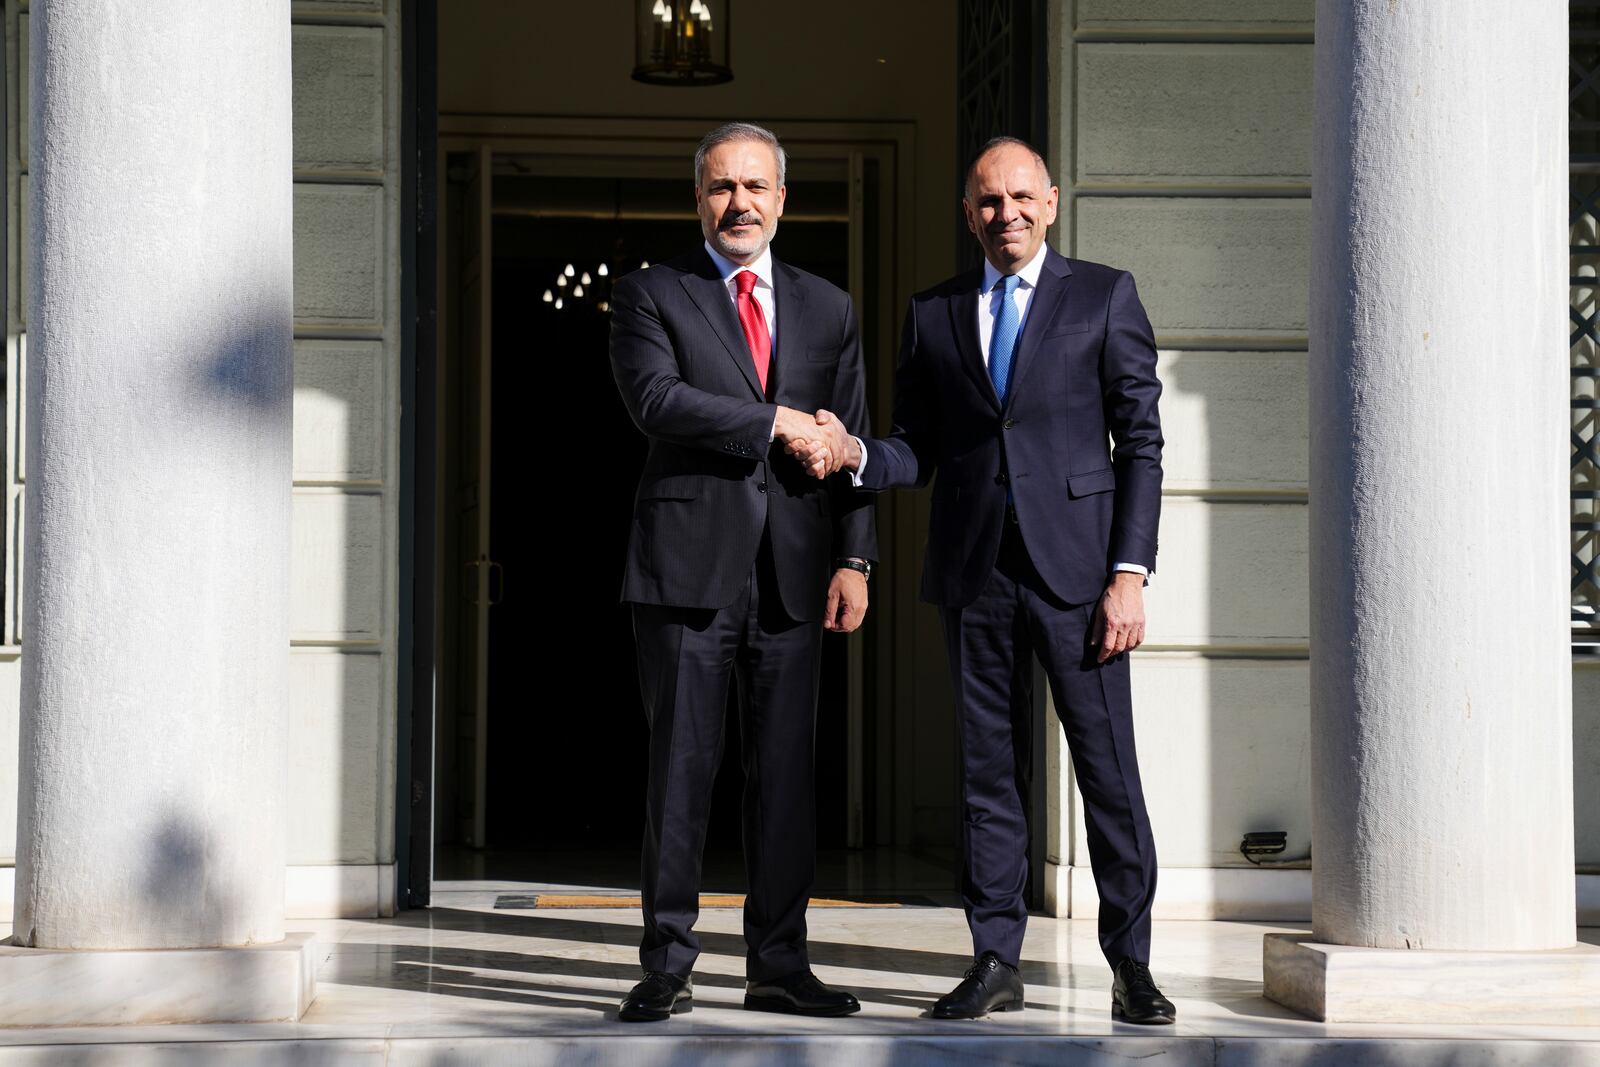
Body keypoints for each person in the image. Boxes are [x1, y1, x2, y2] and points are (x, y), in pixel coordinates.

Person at [791, 135, 1175, 1025]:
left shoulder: (1105, 295)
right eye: (988, 203)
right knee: (986, 779)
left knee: (1107, 772)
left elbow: (1142, 444)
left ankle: (1133, 966)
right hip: (974, 574)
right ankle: (996, 958)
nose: (1006, 214)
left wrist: (1129, 572)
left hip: (1081, 578)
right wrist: (853, 452)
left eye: (1020, 198)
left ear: (1050, 202)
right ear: (970, 215)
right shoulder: (932, 313)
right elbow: (916, 445)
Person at [607, 121, 876, 1022]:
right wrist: (773, 422)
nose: (740, 204)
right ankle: (668, 962)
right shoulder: (652, 293)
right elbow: (656, 401)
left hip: (797, 570)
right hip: (688, 569)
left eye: (756, 187)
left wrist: (855, 555)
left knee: (786, 776)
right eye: (722, 187)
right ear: (698, 199)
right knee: (681, 768)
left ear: (783, 199)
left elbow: (850, 440)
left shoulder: (829, 306)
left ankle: (779, 964)